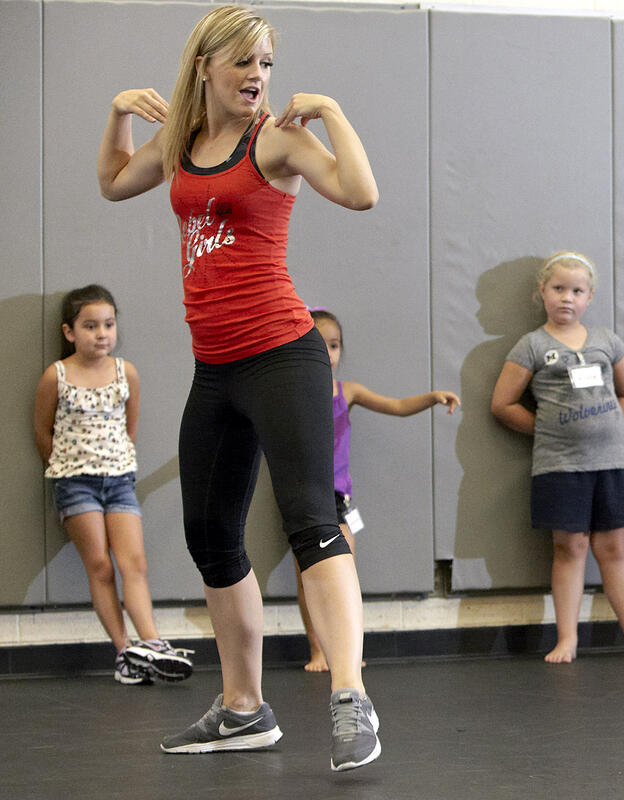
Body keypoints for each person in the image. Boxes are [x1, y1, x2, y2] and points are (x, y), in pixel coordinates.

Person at [96, 4, 381, 771]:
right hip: (216, 367)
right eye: (244, 64)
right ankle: (244, 708)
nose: (258, 78)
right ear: (206, 68)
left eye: (267, 65)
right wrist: (119, 112)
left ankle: (350, 694)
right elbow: (116, 181)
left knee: (310, 520)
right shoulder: (183, 145)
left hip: (284, 355)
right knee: (210, 536)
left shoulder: (279, 139)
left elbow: (360, 193)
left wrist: (332, 112)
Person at [491, 251, 624, 664]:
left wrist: (603, 421)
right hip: (559, 466)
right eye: (558, 289)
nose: (566, 298)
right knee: (570, 547)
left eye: (577, 291)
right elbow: (502, 404)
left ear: (589, 297)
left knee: (614, 550)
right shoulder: (532, 345)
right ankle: (567, 637)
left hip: (612, 463)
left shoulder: (607, 341)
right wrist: (549, 428)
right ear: (542, 292)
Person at [33, 285, 195, 686]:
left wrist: (116, 463)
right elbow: (41, 430)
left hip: (120, 480)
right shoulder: (56, 375)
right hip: (75, 483)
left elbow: (130, 428)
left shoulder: (127, 373)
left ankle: (152, 644)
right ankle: (125, 653)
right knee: (101, 566)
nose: (101, 333)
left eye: (108, 324)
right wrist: (66, 467)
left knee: (133, 563)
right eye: (90, 326)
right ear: (69, 332)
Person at [295, 309, 460, 672]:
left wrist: (431, 397)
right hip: (301, 494)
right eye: (318, 345)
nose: (328, 353)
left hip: (337, 497)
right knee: (308, 576)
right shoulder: (290, 393)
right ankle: (318, 650)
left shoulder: (346, 392)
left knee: (342, 573)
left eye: (334, 345)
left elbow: (398, 406)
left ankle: (346, 653)